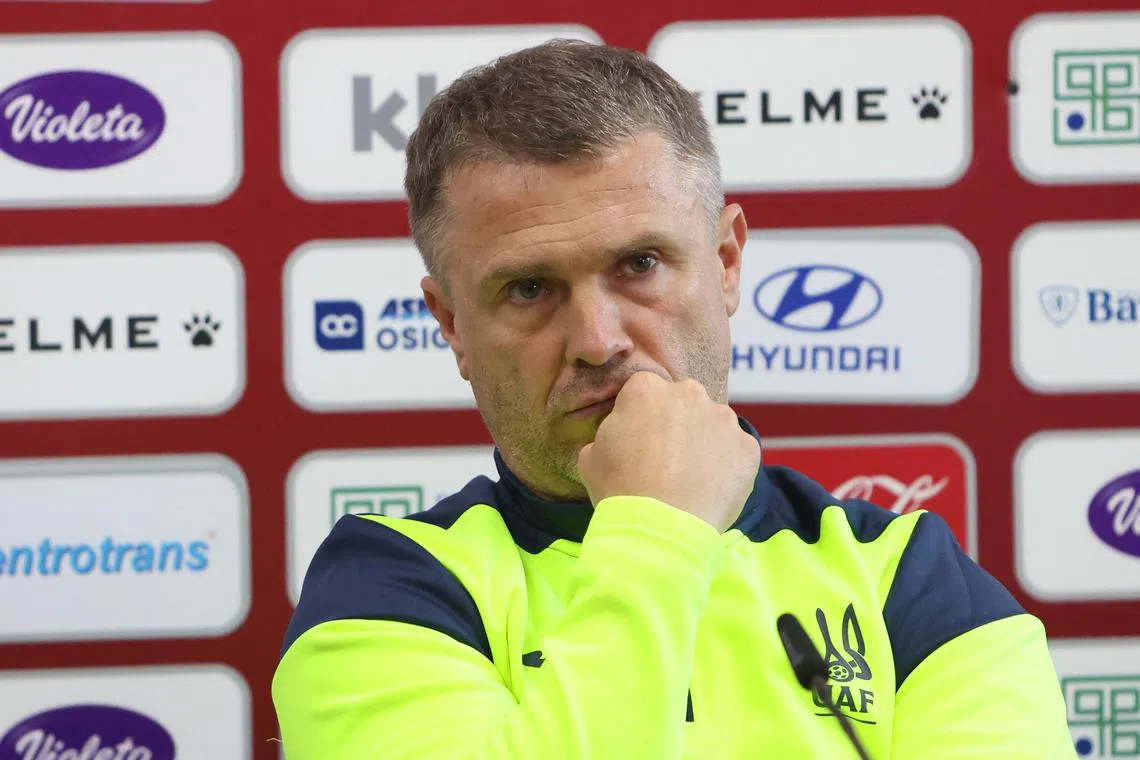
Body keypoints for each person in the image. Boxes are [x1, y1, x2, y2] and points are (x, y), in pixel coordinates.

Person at [272, 39, 1076, 759]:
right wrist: (661, 530)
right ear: (450, 323)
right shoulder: (385, 594)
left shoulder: (913, 581)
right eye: (528, 288)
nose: (597, 338)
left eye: (640, 264)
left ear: (726, 263)